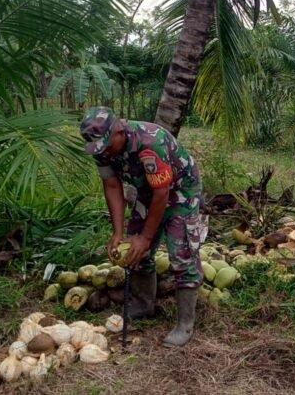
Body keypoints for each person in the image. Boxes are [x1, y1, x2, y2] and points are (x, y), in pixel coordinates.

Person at [80, 106, 204, 347]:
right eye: (99, 148)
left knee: (182, 255)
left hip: (181, 191)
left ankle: (185, 324)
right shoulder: (101, 147)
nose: (104, 152)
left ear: (118, 130)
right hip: (148, 192)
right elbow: (112, 186)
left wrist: (146, 238)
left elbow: (162, 193)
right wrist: (118, 233)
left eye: (107, 146)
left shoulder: (150, 142)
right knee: (134, 251)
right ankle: (144, 305)